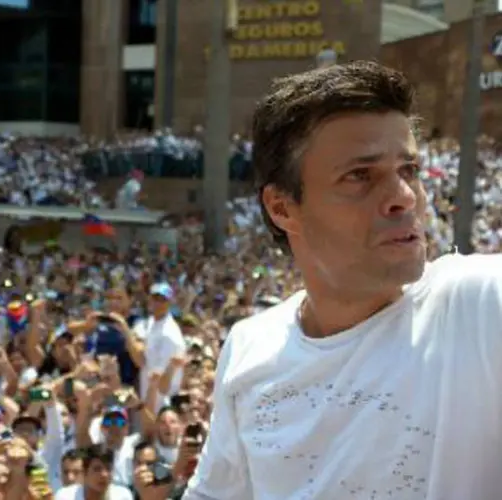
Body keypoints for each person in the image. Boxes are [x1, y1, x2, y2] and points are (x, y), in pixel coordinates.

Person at [172, 61, 502, 499]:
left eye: (409, 170)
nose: (405, 198)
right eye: (360, 176)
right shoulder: (250, 348)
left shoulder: (479, 304)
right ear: (282, 207)